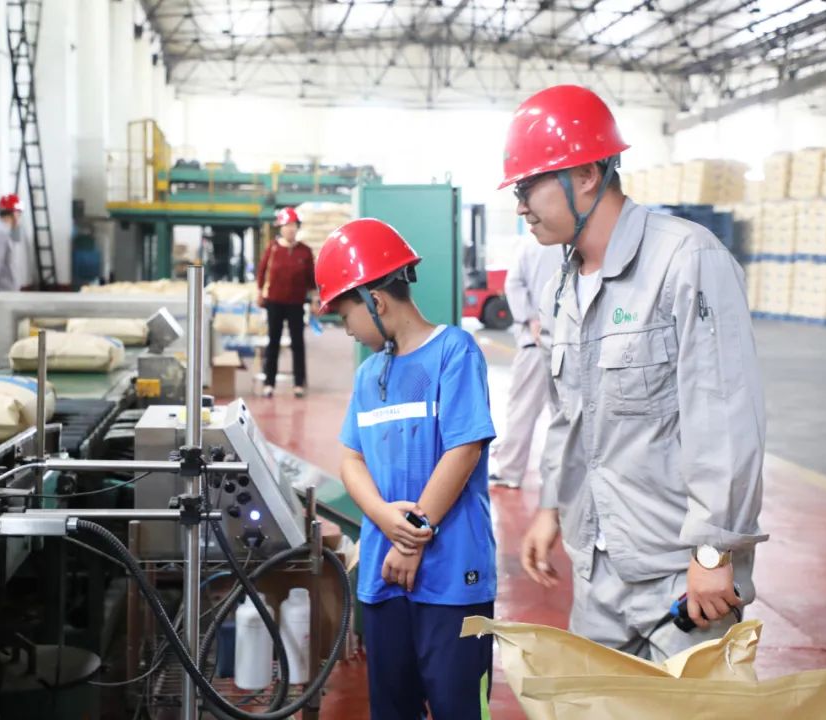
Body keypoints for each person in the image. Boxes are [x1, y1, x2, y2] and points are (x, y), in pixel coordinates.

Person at [504, 85, 768, 660]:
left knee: (688, 705)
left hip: (680, 575)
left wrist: (712, 552)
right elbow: (567, 419)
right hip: (598, 567)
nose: (520, 206)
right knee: (601, 700)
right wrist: (550, 508)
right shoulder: (561, 288)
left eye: (528, 187)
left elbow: (724, 416)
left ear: (587, 174)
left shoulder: (686, 260)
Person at [315, 218, 497, 720]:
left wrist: (412, 535)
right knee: (393, 707)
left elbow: (464, 449)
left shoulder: (454, 352)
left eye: (346, 314)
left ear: (375, 301)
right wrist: (384, 518)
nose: (347, 328)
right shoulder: (369, 374)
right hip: (384, 573)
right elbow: (351, 458)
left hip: (452, 577)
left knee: (459, 707)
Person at [488, 239, 564, 489]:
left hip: (535, 341)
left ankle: (510, 470)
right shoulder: (571, 243)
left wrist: (530, 317)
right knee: (563, 412)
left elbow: (513, 283)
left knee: (523, 407)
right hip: (569, 341)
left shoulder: (530, 247)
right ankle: (560, 476)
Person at [256, 207, 317, 398]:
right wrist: (259, 292)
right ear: (280, 228)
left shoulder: (305, 251)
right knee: (273, 342)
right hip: (274, 303)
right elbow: (262, 272)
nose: (290, 229)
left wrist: (315, 300)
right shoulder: (272, 249)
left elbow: (311, 280)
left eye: (293, 225)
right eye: (287, 225)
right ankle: (269, 383)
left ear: (298, 227)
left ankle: (299, 383)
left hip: (296, 304)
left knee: (297, 343)